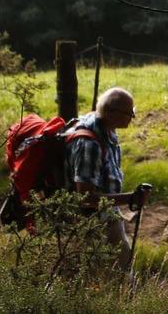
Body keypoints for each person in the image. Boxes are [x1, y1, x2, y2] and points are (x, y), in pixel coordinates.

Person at [64, 86, 136, 266]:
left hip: (106, 211)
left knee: (122, 263)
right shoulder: (90, 144)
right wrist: (130, 198)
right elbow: (86, 198)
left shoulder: (106, 129)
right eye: (129, 113)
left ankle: (123, 291)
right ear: (111, 113)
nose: (132, 117)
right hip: (88, 218)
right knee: (107, 269)